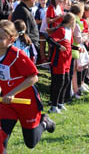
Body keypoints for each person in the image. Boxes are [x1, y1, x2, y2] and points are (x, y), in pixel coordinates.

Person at [0, 20, 55, 153]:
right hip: (6, 103)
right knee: (1, 138)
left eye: (0, 37)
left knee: (31, 143)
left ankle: (44, 122)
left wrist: (12, 93)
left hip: (26, 102)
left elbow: (34, 77)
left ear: (11, 39)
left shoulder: (17, 55)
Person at [47, 13, 80, 113]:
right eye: (74, 21)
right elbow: (50, 39)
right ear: (70, 21)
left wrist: (77, 48)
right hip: (59, 61)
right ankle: (53, 106)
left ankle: (60, 103)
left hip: (67, 60)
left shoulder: (69, 30)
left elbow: (69, 45)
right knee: (59, 82)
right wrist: (58, 46)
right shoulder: (61, 30)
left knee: (66, 81)